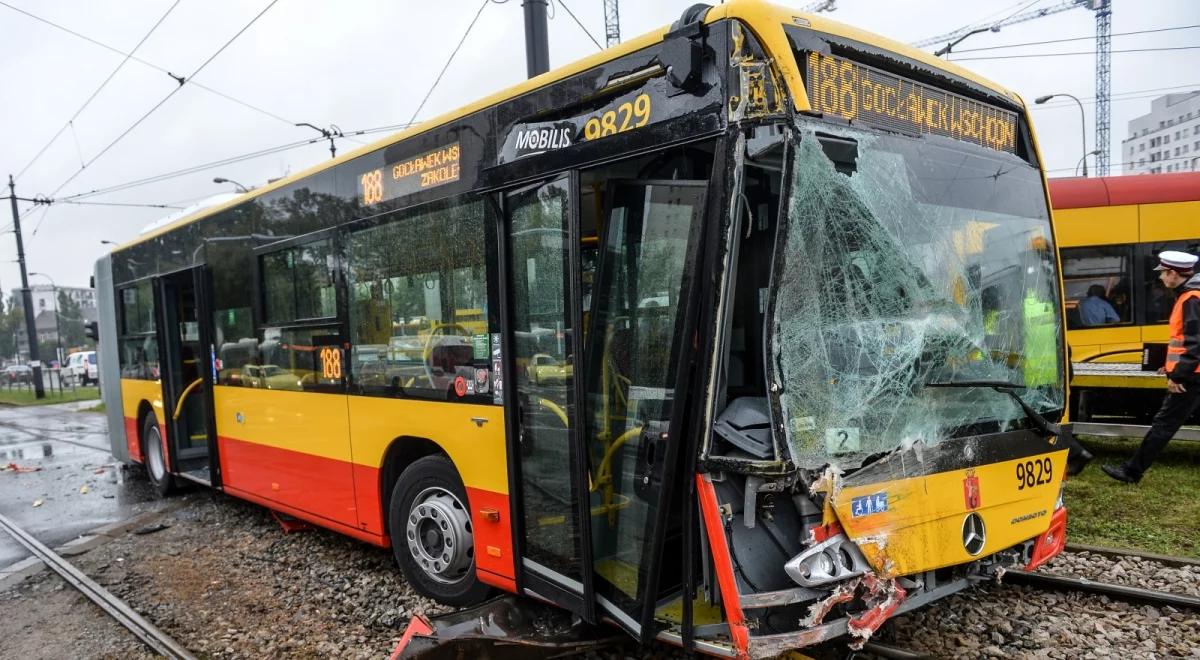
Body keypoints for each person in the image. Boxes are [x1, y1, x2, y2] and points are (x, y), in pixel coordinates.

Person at [1103, 250, 1200, 483]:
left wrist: (1177, 375)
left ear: (1174, 274)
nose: (1160, 278)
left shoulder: (1191, 299)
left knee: (1164, 425)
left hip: (1191, 378)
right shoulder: (1191, 296)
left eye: (1163, 273)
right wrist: (1169, 367)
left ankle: (1131, 471)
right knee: (1165, 424)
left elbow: (1194, 343)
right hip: (1193, 374)